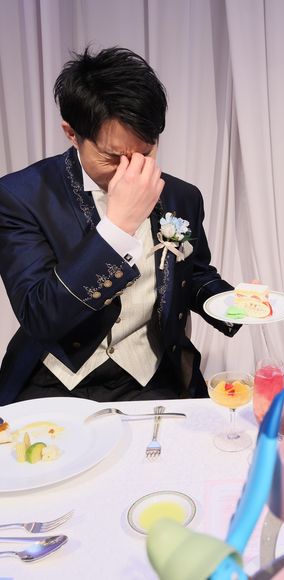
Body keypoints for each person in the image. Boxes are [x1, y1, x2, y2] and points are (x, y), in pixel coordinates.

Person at [0, 47, 240, 405]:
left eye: (145, 153)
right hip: (54, 379)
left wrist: (237, 305)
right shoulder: (19, 196)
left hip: (152, 376)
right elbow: (40, 316)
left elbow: (194, 275)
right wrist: (118, 226)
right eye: (113, 157)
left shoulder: (183, 196)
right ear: (71, 133)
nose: (131, 170)